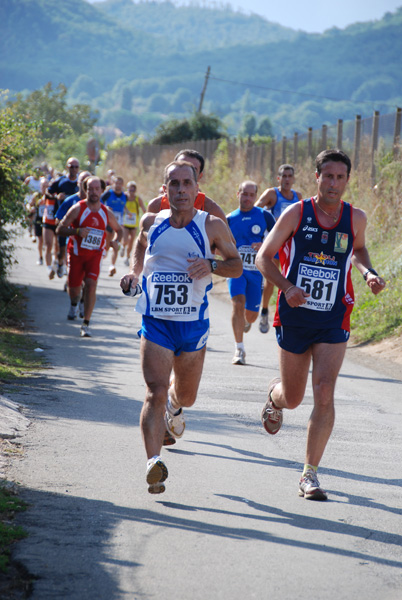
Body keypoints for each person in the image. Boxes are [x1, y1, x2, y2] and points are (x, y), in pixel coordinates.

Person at [255, 149, 386, 501]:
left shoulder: (355, 217)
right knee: (294, 398)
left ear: (347, 180)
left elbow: (358, 251)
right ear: (316, 178)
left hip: (333, 316)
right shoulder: (296, 213)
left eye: (340, 177)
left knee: (324, 391)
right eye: (327, 176)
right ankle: (275, 394)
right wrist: (287, 288)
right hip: (295, 315)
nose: (333, 183)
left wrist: (368, 273)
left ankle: (309, 474)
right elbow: (263, 257)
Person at [120, 160, 242, 494]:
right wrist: (134, 272)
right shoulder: (151, 221)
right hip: (156, 321)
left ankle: (175, 406)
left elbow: (237, 266)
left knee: (185, 394)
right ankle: (153, 462)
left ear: (196, 187)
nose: (181, 190)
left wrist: (211, 264)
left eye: (187, 183)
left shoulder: (211, 225)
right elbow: (141, 245)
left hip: (192, 326)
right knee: (153, 391)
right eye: (174, 184)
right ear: (165, 189)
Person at [56, 176, 123, 338]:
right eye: (90, 189)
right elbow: (60, 229)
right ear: (85, 190)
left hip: (95, 255)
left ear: (102, 190)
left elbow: (119, 230)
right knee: (74, 288)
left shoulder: (106, 212)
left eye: (97, 189)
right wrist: (77, 231)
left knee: (92, 285)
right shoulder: (77, 209)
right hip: (77, 254)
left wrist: (115, 242)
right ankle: (73, 303)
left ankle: (85, 323)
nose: (93, 192)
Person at [226, 181, 275, 365]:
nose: (247, 198)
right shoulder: (229, 218)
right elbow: (219, 243)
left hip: (255, 272)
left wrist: (265, 246)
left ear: (256, 197)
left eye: (251, 195)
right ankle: (239, 349)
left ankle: (246, 321)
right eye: (244, 194)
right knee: (238, 302)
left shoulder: (264, 216)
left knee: (250, 316)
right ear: (237, 194)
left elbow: (279, 237)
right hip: (236, 270)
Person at [255, 164, 302, 333]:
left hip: (291, 246)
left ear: (294, 178)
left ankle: (291, 312)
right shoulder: (272, 194)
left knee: (292, 279)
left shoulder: (298, 196)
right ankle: (265, 310)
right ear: (278, 178)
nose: (287, 179)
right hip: (274, 242)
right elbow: (254, 212)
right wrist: (259, 235)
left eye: (290, 176)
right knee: (271, 280)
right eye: (284, 176)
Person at [147, 148, 229, 226]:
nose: (184, 171)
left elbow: (229, 240)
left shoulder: (211, 209)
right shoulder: (156, 206)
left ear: (200, 176)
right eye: (181, 165)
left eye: (192, 169)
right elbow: (145, 239)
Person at [47, 157, 80, 278]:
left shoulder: (81, 184)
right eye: (72, 166)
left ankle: (70, 274)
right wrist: (56, 196)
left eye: (76, 167)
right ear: (67, 167)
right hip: (62, 219)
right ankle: (60, 262)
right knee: (61, 248)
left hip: (77, 221)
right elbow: (48, 191)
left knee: (72, 248)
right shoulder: (61, 181)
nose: (74, 169)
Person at [101, 176, 127, 276]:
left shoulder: (125, 196)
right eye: (116, 183)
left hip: (119, 223)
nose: (118, 185)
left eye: (120, 183)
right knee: (107, 244)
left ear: (122, 185)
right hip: (108, 222)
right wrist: (105, 207)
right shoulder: (108, 194)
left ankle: (112, 265)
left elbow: (124, 205)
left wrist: (127, 212)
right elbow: (99, 201)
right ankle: (104, 253)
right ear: (113, 184)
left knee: (116, 244)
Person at [121, 181, 146, 266]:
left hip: (134, 223)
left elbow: (143, 209)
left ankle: (127, 257)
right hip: (125, 222)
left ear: (135, 190)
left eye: (133, 190)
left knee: (131, 241)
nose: (131, 192)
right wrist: (126, 211)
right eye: (129, 190)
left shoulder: (137, 199)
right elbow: (121, 205)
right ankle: (123, 247)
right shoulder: (124, 196)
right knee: (125, 239)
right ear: (127, 189)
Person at [29, 177, 48, 265]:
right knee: (40, 240)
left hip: (48, 220)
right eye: (43, 186)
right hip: (39, 219)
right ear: (40, 186)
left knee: (49, 241)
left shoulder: (51, 195)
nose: (44, 188)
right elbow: (29, 205)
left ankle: (51, 258)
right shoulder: (36, 195)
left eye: (46, 186)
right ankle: (40, 257)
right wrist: (31, 208)